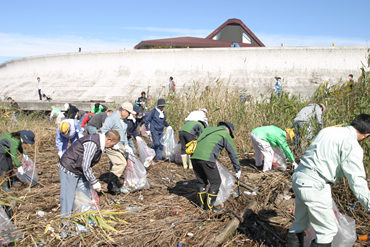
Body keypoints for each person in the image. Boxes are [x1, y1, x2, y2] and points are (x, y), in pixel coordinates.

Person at [287, 114, 370, 247]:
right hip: (315, 184)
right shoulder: (352, 144)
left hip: (299, 177)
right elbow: (357, 181)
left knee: (300, 222)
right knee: (326, 231)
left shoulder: (327, 130)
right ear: (367, 135)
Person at [58, 130, 120, 219]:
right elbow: (86, 166)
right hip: (69, 168)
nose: (112, 147)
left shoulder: (99, 143)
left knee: (84, 193)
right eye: (113, 144)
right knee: (68, 197)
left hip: (78, 169)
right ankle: (65, 224)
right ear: (108, 139)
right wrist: (94, 182)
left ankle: (81, 217)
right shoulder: (92, 143)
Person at [191, 122, 241, 212]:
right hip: (206, 159)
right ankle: (210, 207)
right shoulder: (225, 134)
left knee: (202, 181)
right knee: (216, 181)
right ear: (228, 130)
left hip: (194, 157)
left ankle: (201, 205)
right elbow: (232, 153)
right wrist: (237, 168)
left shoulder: (207, 129)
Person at [101, 102, 135, 194]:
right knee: (121, 163)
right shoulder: (112, 118)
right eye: (128, 113)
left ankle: (114, 181)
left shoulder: (124, 120)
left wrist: (127, 145)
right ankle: (111, 184)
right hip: (112, 145)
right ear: (123, 110)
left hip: (121, 145)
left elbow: (124, 133)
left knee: (117, 162)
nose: (129, 115)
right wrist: (112, 143)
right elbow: (104, 130)